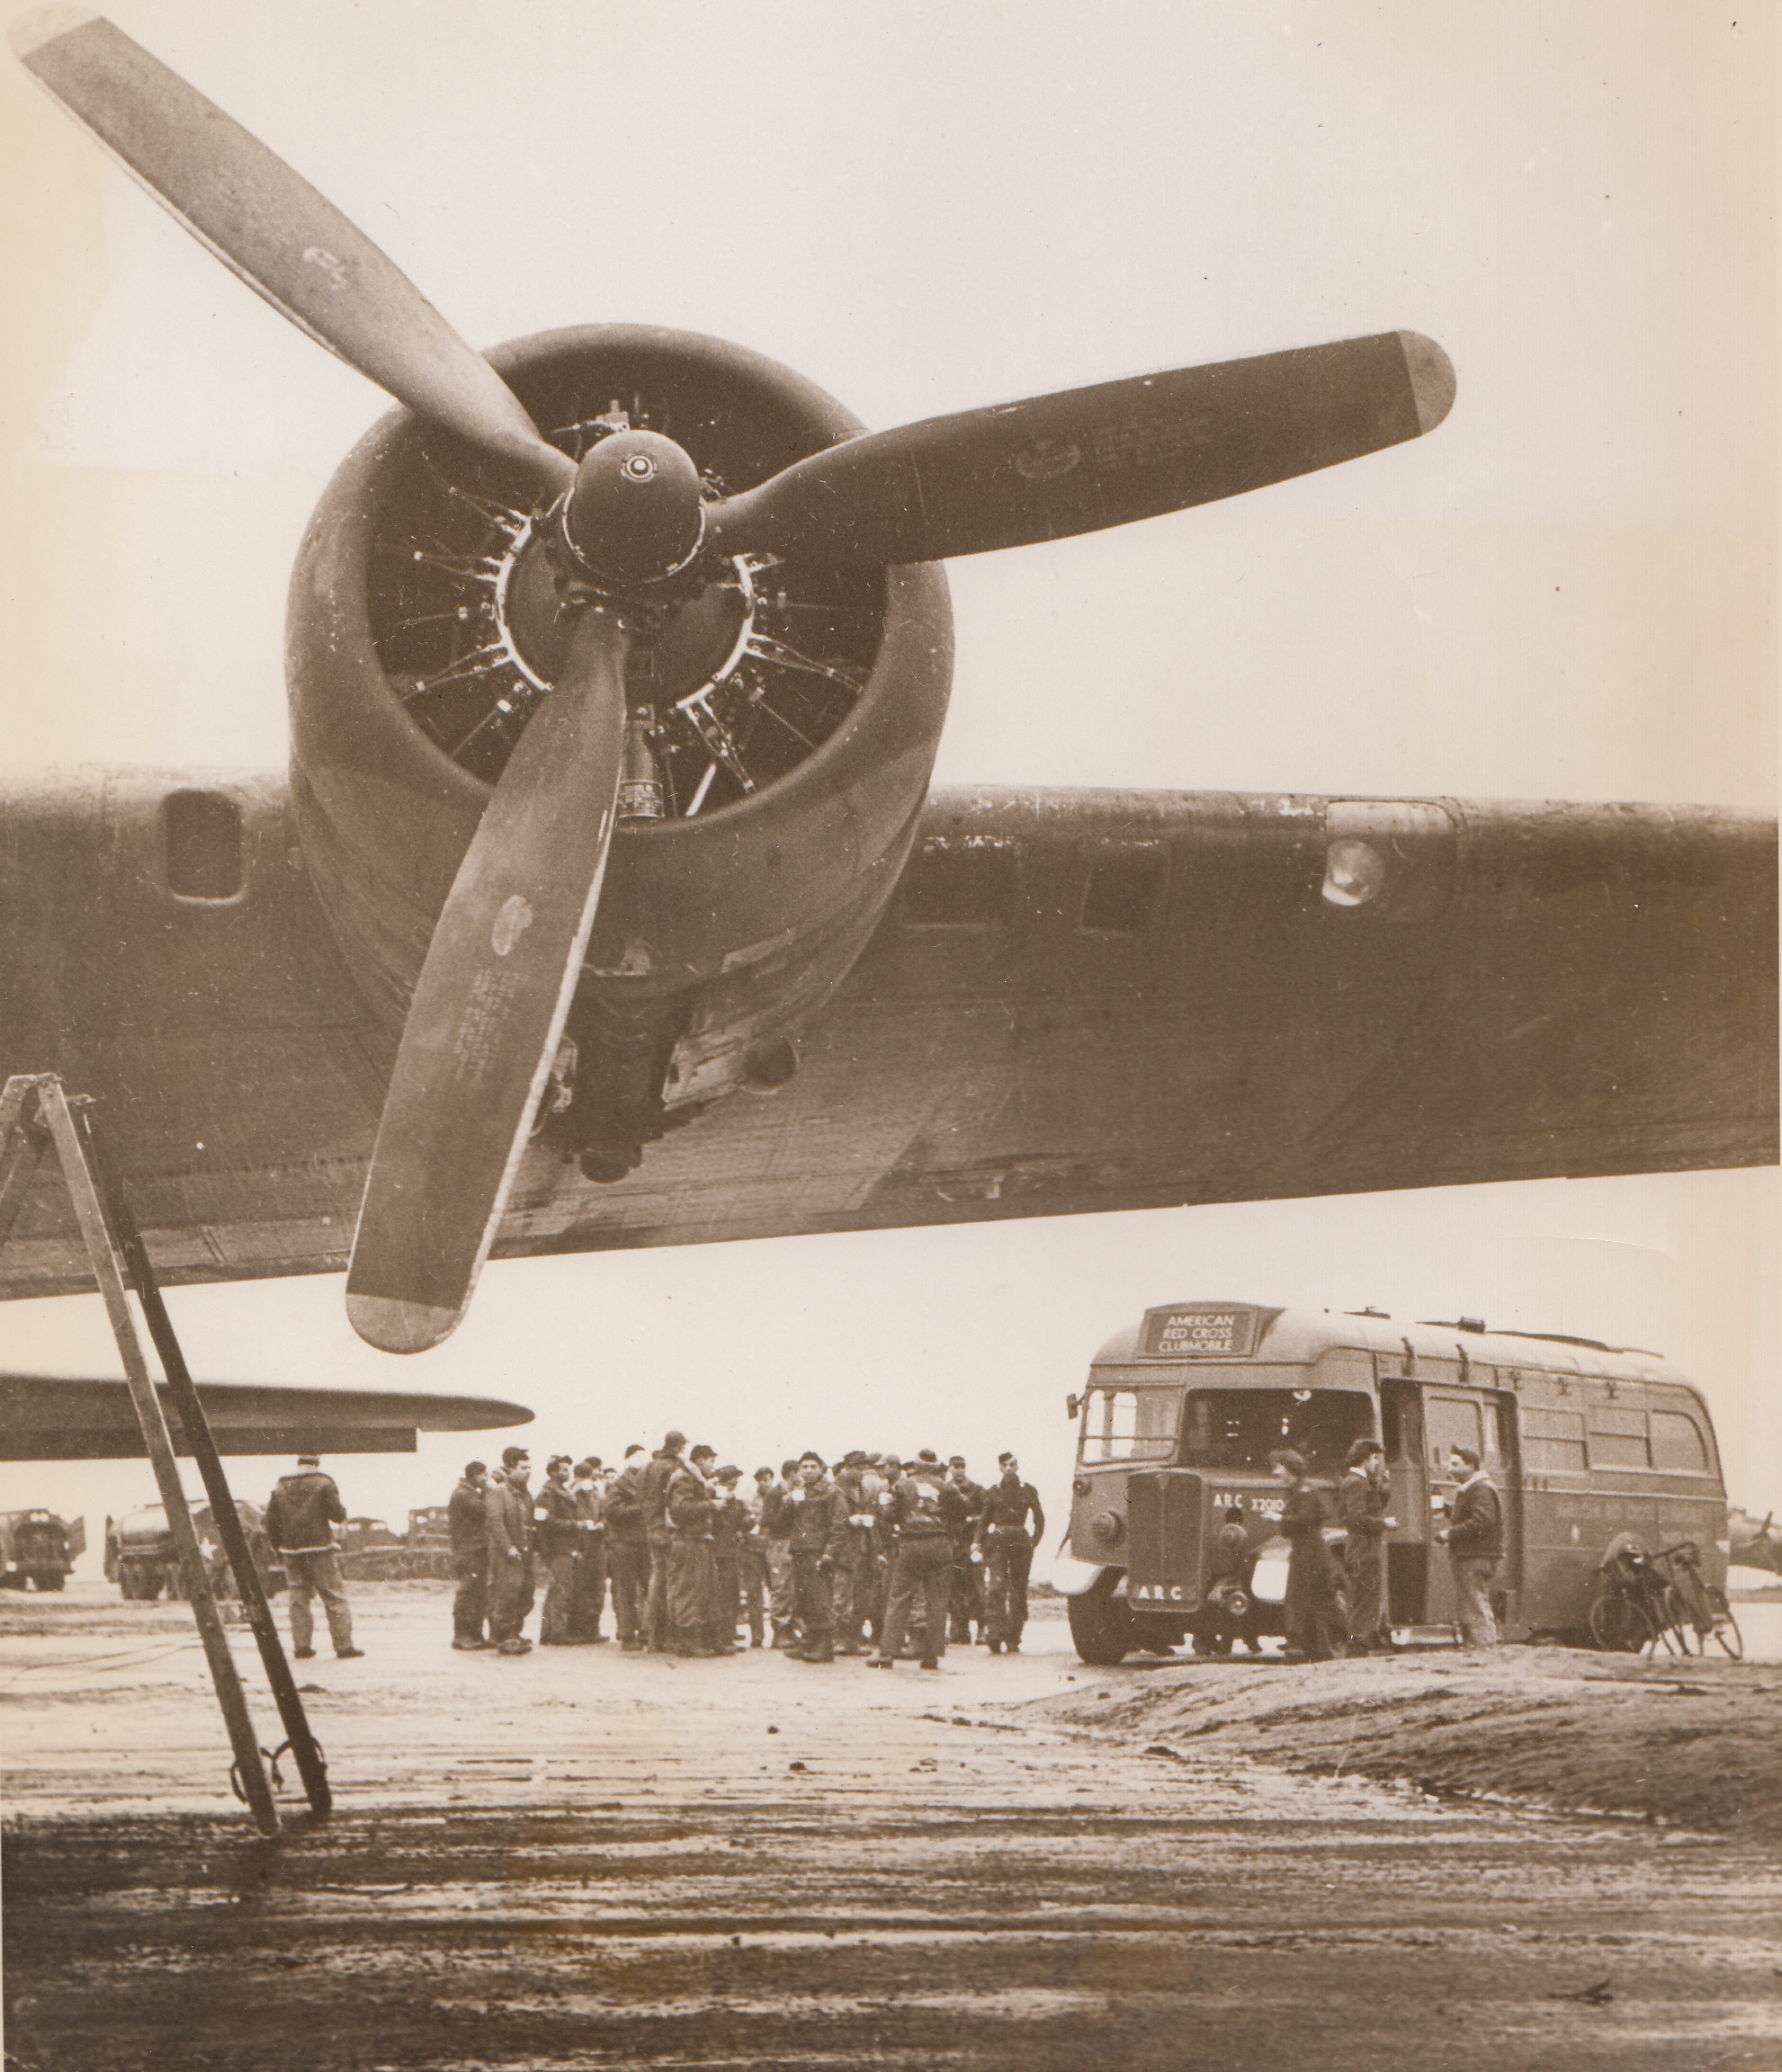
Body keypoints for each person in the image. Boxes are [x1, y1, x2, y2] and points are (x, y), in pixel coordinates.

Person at [264, 1453, 362, 1660]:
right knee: (334, 1597)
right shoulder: (324, 1482)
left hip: (291, 1551)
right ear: (316, 1463)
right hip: (320, 1550)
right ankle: (344, 1646)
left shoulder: (280, 1486)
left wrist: (278, 1547)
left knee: (298, 1599)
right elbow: (338, 1515)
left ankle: (302, 1647)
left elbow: (270, 1521)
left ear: (299, 1463)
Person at [870, 1456, 963, 1670]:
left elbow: (888, 1515)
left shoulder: (903, 1485)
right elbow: (961, 1511)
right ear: (935, 1466)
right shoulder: (946, 1486)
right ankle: (931, 1656)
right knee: (938, 1601)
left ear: (916, 1466)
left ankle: (886, 1654)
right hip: (939, 1544)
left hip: (910, 1544)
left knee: (899, 1597)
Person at [1271, 1449, 1345, 1662]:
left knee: (1308, 1597)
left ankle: (1304, 1644)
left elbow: (1305, 1518)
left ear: (1289, 1469)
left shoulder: (1304, 1490)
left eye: (1279, 1468)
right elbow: (1291, 1526)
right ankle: (1300, 1644)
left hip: (1311, 1552)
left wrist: (1279, 1518)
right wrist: (1282, 1521)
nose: (1276, 1473)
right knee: (1305, 1597)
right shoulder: (1295, 1490)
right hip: (1304, 1550)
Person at [975, 1452, 1044, 1654]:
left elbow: (1039, 1518)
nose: (1008, 1468)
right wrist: (977, 1542)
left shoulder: (1028, 1490)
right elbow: (984, 1520)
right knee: (995, 1587)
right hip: (997, 1543)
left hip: (1021, 1544)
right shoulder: (993, 1492)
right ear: (1000, 1468)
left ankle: (1014, 1636)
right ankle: (994, 1634)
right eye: (1004, 1465)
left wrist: (1034, 1541)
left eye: (1012, 1464)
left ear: (1017, 1466)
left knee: (1018, 1589)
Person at [784, 1451, 848, 1663]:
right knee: (803, 1599)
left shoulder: (831, 1492)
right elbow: (781, 1523)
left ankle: (823, 1647)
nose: (808, 1470)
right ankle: (808, 1642)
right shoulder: (799, 1493)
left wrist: (830, 1553)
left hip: (818, 1553)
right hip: (800, 1550)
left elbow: (839, 1525)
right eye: (804, 1467)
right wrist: (789, 1504)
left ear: (822, 1468)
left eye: (813, 1466)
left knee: (820, 1599)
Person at [1437, 1445, 1503, 1648]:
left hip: (1475, 1556)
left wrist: (1450, 1533)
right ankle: (1478, 1646)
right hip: (1472, 1554)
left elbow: (1482, 1521)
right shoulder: (1474, 1488)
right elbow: (1474, 1517)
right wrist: (1448, 1509)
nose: (1451, 1469)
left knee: (1474, 1603)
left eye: (1456, 1464)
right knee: (1471, 1602)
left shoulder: (1481, 1489)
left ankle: (1483, 1647)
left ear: (1471, 1466)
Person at [1337, 1437, 1397, 1656]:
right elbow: (1356, 1517)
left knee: (1364, 1599)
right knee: (1364, 1601)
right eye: (1374, 1458)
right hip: (1364, 1550)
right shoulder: (1357, 1482)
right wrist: (1384, 1524)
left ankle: (1358, 1646)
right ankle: (1356, 1648)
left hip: (1362, 1548)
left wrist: (1384, 1489)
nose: (1376, 1464)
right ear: (1365, 1459)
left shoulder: (1359, 1482)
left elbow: (1371, 1509)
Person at [665, 1445, 723, 1655]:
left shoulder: (693, 1478)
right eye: (711, 1460)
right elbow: (680, 1509)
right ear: (699, 1460)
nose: (712, 1465)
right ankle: (688, 1642)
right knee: (689, 1591)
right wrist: (710, 1505)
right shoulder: (684, 1478)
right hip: (688, 1540)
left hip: (698, 1540)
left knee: (706, 1590)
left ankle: (705, 1639)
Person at [640, 1432, 689, 1651]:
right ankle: (672, 1637)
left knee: (656, 1581)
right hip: (670, 1531)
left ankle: (653, 1638)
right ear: (679, 1447)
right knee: (673, 1583)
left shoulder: (647, 1467)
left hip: (651, 1529)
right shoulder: (675, 1468)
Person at [485, 1446, 535, 1655]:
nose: (528, 1471)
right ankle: (505, 1637)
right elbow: (495, 1523)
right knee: (506, 1594)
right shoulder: (499, 1492)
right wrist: (508, 1547)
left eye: (530, 1467)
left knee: (526, 1594)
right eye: (523, 1468)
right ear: (510, 1468)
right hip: (507, 1554)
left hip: (525, 1552)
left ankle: (515, 1631)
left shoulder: (526, 1495)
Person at [604, 1448, 649, 1650]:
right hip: (623, 1543)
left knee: (647, 1588)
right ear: (629, 1460)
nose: (642, 1460)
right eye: (638, 1456)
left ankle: (646, 1630)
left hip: (642, 1542)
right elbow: (611, 1511)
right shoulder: (619, 1484)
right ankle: (627, 1634)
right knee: (626, 1591)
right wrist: (639, 1510)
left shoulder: (645, 1482)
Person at [534, 1456, 580, 1645]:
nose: (567, 1473)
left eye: (568, 1469)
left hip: (564, 1546)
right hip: (557, 1548)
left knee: (558, 1589)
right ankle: (557, 1634)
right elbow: (546, 1521)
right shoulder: (548, 1494)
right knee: (560, 1590)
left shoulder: (560, 1491)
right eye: (563, 1470)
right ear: (552, 1472)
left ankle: (550, 1633)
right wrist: (574, 1525)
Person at [446, 1460, 491, 1649]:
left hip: (475, 1549)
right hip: (468, 1551)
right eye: (483, 1475)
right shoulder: (464, 1494)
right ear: (474, 1476)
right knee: (468, 1592)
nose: (486, 1478)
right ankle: (462, 1636)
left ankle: (474, 1635)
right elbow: (484, 1510)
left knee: (478, 1593)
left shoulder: (470, 1492)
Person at [945, 1456, 987, 1644]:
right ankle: (959, 1630)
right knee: (954, 1587)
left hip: (971, 1545)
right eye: (956, 1467)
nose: (960, 1470)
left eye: (962, 1467)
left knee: (977, 1587)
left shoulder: (977, 1490)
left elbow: (986, 1517)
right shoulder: (945, 1490)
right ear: (950, 1469)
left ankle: (982, 1629)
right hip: (953, 1544)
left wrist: (972, 1520)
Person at [567, 1459, 608, 1642]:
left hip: (596, 1544)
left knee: (597, 1587)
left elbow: (606, 1514)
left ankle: (593, 1629)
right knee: (579, 1587)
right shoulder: (569, 1495)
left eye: (587, 1477)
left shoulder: (597, 1495)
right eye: (581, 1477)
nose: (585, 1481)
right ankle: (577, 1630)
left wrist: (601, 1524)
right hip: (579, 1544)